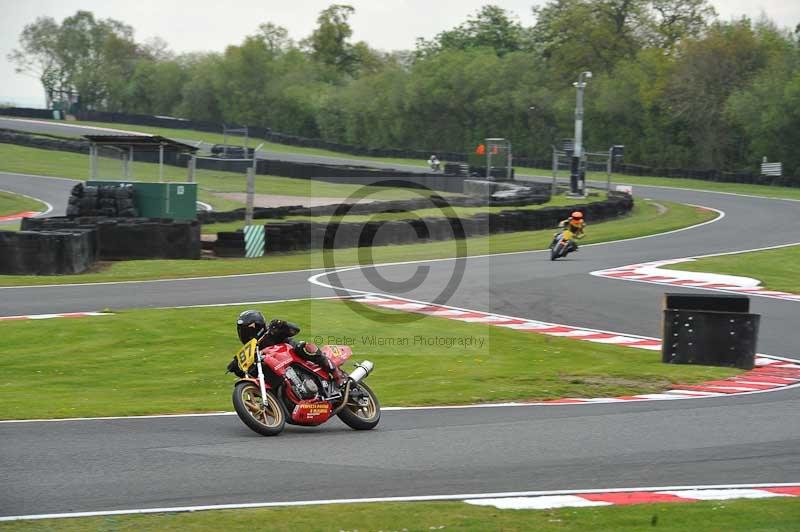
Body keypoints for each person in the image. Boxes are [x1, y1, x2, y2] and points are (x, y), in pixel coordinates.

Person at [227, 310, 345, 385]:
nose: (244, 333)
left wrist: (282, 325)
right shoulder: (250, 349)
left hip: (292, 356)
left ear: (257, 326)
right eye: (241, 330)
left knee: (304, 347)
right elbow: (244, 371)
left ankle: (336, 373)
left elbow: (295, 329)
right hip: (276, 368)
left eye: (247, 329)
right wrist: (235, 366)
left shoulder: (271, 332)